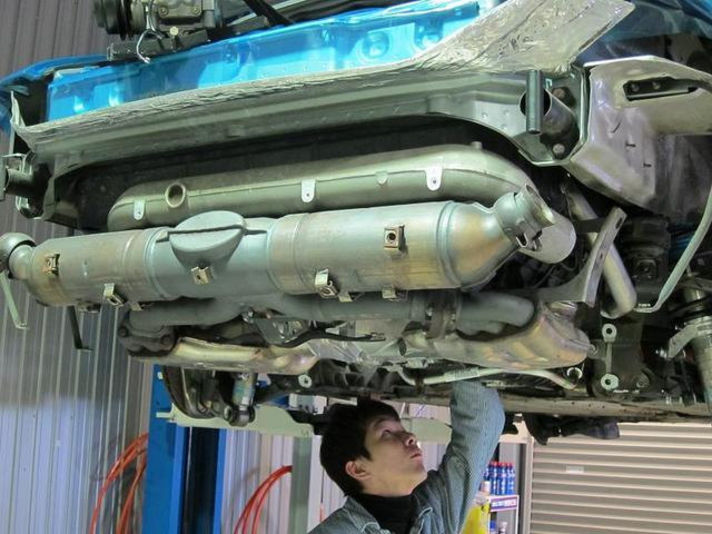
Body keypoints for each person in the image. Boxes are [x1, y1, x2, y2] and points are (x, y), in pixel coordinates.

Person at [309, 381, 505, 534]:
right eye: (387, 433)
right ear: (358, 469)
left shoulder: (433, 508)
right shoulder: (436, 516)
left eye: (400, 429)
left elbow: (482, 428)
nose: (410, 437)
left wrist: (466, 354)